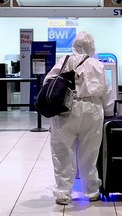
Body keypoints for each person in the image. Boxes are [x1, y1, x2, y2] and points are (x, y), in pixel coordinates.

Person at [43, 31, 114, 205]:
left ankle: (63, 193)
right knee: (90, 152)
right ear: (91, 46)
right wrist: (109, 112)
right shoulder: (98, 65)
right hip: (93, 110)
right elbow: (106, 91)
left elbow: (48, 82)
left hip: (66, 110)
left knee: (62, 151)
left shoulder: (64, 61)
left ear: (75, 45)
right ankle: (91, 191)